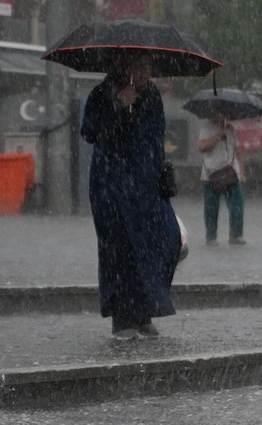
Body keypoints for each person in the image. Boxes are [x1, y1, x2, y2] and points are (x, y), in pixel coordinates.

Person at [80, 55, 181, 341]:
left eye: (148, 68)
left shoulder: (152, 96)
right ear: (124, 68)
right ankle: (123, 317)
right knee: (120, 249)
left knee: (165, 239)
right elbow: (89, 132)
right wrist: (118, 107)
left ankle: (145, 310)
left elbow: (155, 136)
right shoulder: (101, 94)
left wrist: (159, 172)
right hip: (110, 185)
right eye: (140, 66)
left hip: (146, 186)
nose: (147, 73)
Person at [198, 108, 246, 246]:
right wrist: (218, 136)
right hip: (211, 175)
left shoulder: (231, 129)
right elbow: (201, 147)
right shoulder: (206, 127)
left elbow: (238, 150)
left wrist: (241, 171)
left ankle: (236, 236)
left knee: (237, 205)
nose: (222, 116)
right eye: (220, 113)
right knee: (211, 209)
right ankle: (211, 237)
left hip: (231, 173)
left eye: (225, 114)